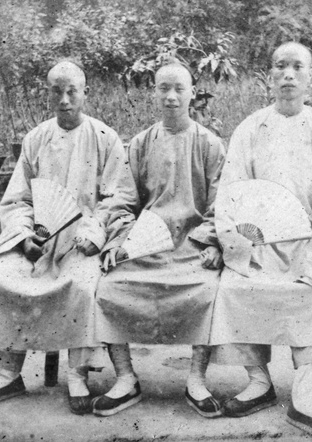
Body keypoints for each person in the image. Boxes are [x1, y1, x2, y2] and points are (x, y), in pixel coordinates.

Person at [0, 60, 135, 415]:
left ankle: (76, 372)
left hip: (80, 243)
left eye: (73, 91)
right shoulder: (36, 139)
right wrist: (23, 238)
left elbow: (119, 198)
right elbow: (18, 199)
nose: (65, 100)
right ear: (48, 94)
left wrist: (93, 231)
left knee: (83, 285)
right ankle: (8, 372)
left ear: (86, 93)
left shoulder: (105, 138)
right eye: (57, 91)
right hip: (37, 243)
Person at [208, 42, 312, 440]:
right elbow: (231, 193)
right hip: (258, 247)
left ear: (310, 77)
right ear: (269, 78)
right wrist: (238, 242)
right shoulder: (249, 128)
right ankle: (259, 382)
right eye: (280, 67)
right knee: (233, 286)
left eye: (297, 67)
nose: (288, 75)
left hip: (307, 243)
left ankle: (305, 395)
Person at [92, 61, 226, 418]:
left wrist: (212, 242)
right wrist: (119, 241)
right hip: (145, 247)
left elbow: (221, 205)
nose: (171, 97)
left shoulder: (209, 144)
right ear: (153, 92)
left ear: (192, 93)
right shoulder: (139, 143)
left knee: (207, 290)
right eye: (163, 88)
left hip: (191, 248)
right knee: (109, 287)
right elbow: (122, 201)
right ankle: (125, 378)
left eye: (179, 89)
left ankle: (196, 380)